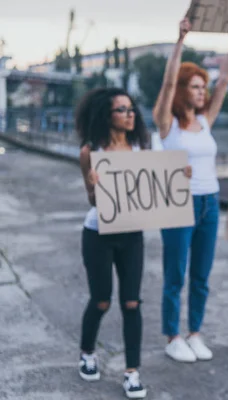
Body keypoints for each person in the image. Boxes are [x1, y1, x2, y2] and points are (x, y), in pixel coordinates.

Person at [152, 16, 228, 363]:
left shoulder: (206, 118)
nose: (201, 91)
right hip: (179, 203)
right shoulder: (168, 123)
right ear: (181, 90)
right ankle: (172, 336)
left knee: (202, 275)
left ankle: (194, 332)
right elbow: (165, 83)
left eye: (201, 86)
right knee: (175, 273)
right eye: (194, 86)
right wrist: (180, 40)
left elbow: (225, 79)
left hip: (208, 204)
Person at [76, 88, 150, 399]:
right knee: (101, 300)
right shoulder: (90, 152)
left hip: (132, 234)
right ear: (108, 116)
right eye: (122, 110)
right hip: (99, 234)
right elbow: (94, 201)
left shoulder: (141, 149)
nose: (130, 114)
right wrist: (93, 185)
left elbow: (153, 191)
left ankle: (132, 372)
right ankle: (87, 353)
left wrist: (179, 176)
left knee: (132, 303)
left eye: (132, 109)